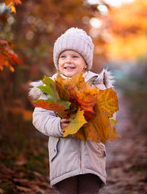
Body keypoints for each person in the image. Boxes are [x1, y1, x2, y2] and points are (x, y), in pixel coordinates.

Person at [29, 27, 115, 194]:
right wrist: (58, 125)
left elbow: (110, 114)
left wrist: (96, 116)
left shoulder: (97, 84)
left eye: (75, 56)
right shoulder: (52, 88)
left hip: (92, 159)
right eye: (63, 56)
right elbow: (39, 117)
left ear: (85, 63)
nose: (68, 60)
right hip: (63, 159)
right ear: (57, 61)